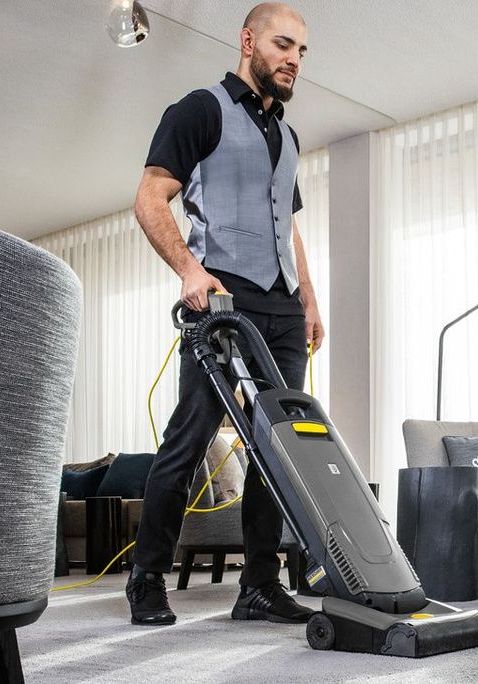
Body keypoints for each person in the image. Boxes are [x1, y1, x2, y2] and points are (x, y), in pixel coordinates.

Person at [127, 2, 324, 626]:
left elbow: (285, 223)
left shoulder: (288, 135)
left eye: (301, 51)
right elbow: (150, 197)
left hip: (283, 305)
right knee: (190, 436)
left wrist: (310, 299)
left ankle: (259, 586)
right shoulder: (200, 109)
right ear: (248, 41)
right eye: (283, 44)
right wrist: (190, 270)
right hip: (223, 300)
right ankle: (148, 577)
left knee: (278, 447)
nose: (294, 59)